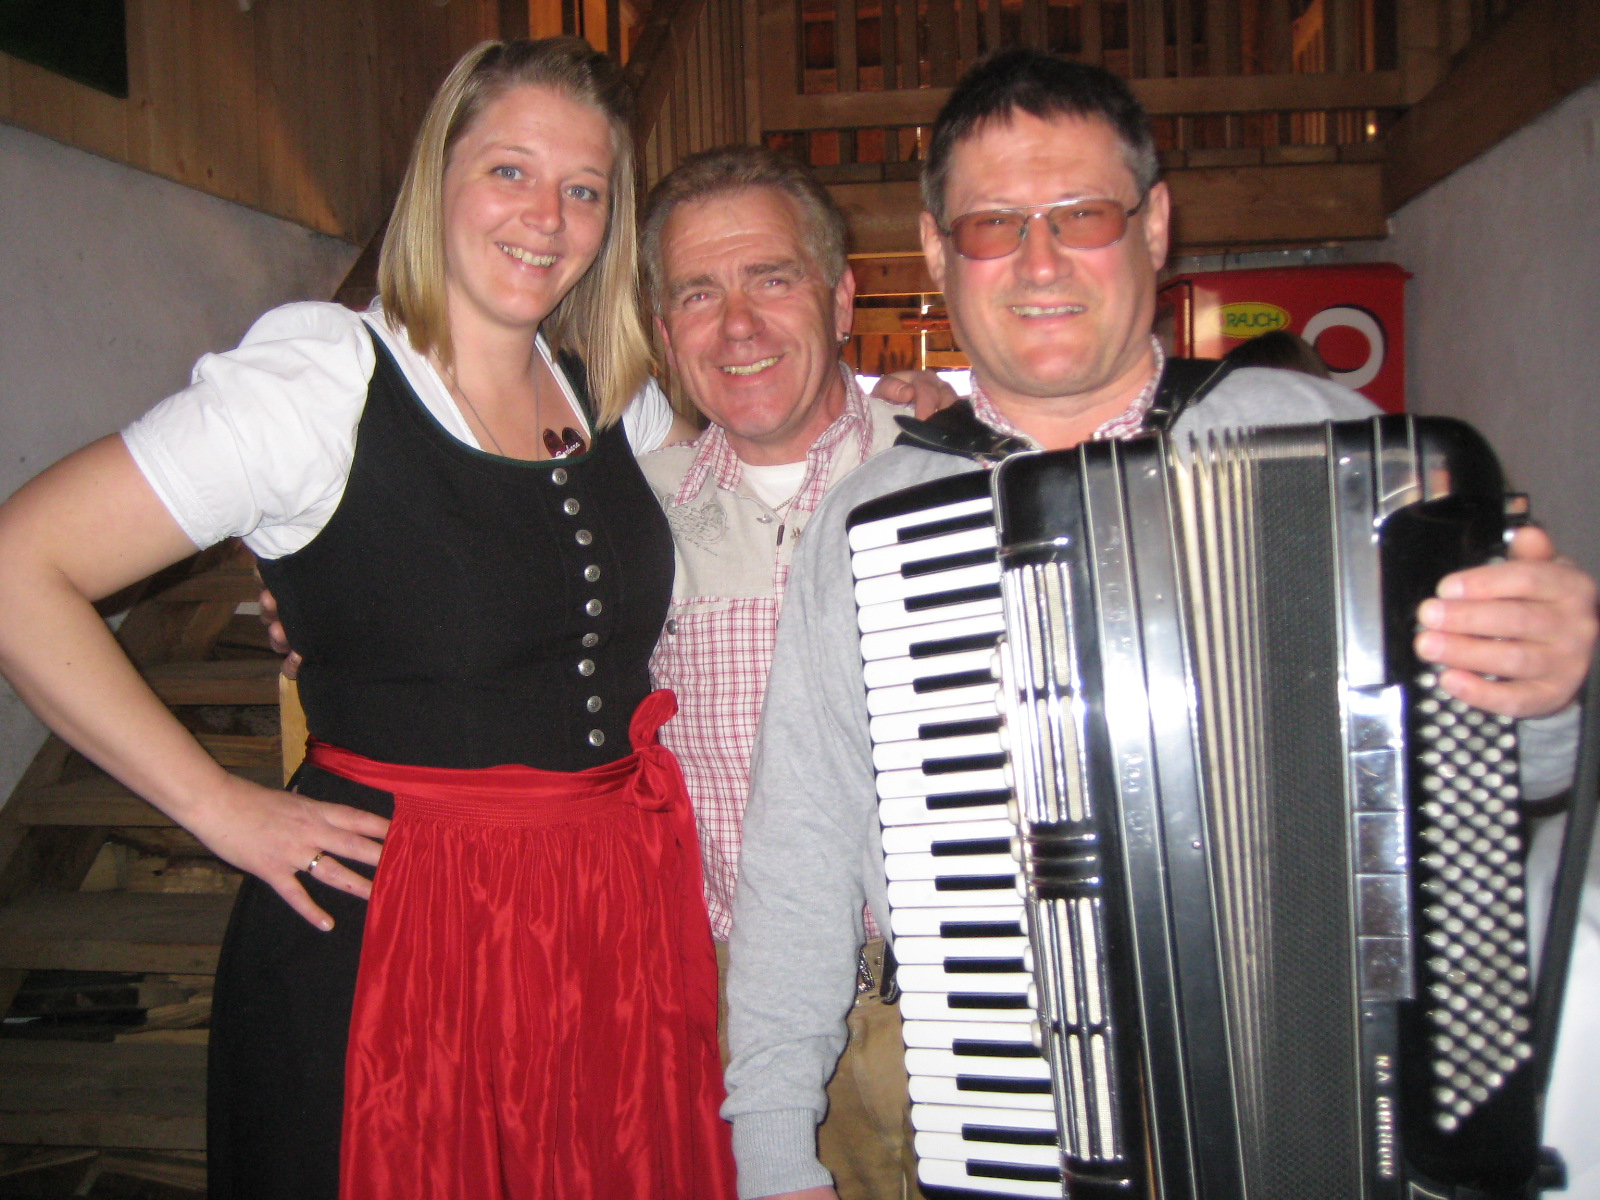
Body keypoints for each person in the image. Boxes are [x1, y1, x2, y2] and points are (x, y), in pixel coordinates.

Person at [722, 48, 1597, 1200]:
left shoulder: (1337, 444)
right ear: (936, 251)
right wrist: (772, 1149)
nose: (1039, 261)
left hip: (1331, 1104)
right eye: (993, 225)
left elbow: (1505, 780)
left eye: (1081, 214)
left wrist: (1548, 692)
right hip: (1019, 1123)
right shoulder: (873, 521)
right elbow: (801, 849)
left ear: (1154, 226)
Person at [0, 37, 733, 1200]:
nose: (546, 217)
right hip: (405, 934)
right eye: (508, 170)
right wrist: (219, 808)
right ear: (436, 178)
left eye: (584, 189)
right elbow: (19, 567)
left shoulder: (607, 390)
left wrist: (882, 415)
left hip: (606, 920)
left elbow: (746, 504)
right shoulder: (319, 385)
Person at [636, 145, 921, 1200]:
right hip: (741, 1023)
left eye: (771, 277)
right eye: (697, 294)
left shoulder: (953, 476)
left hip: (962, 1003)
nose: (737, 325)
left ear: (840, 298)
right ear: (664, 331)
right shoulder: (625, 516)